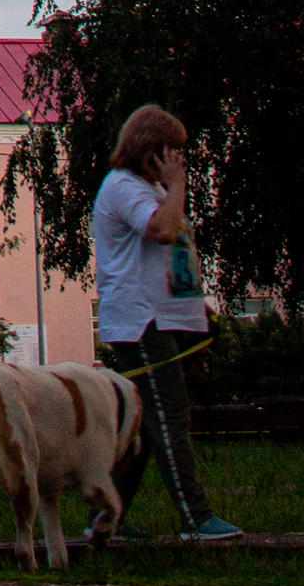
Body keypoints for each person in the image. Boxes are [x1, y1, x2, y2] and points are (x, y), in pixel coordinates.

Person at [92, 104, 241, 544]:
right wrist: (176, 187)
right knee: (169, 416)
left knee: (144, 424)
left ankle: (105, 518)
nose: (180, 162)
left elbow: (175, 252)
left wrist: (197, 312)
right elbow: (160, 231)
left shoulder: (150, 188)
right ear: (150, 150)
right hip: (141, 322)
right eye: (172, 151)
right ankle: (195, 519)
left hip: (164, 318)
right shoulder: (123, 187)